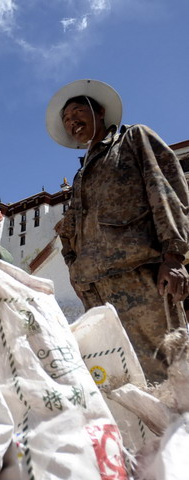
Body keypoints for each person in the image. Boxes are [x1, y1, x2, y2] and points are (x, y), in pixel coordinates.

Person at [46, 79, 189, 382]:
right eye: (67, 120)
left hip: (141, 282)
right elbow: (68, 231)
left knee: (171, 376)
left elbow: (166, 190)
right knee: (121, 384)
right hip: (96, 296)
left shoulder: (134, 139)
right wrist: (75, 270)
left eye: (77, 112)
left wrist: (174, 255)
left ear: (99, 112)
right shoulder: (81, 175)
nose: (72, 122)